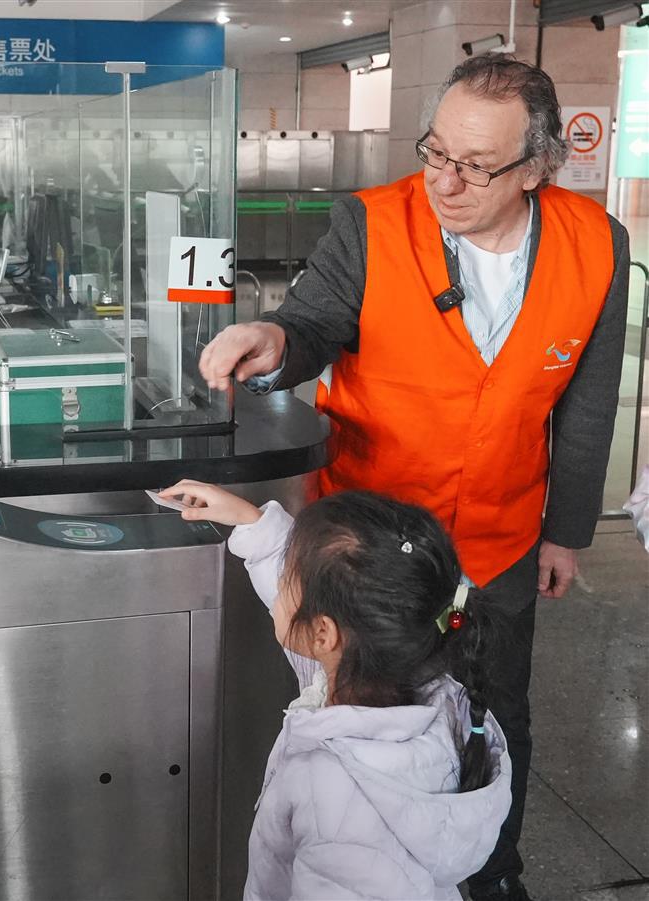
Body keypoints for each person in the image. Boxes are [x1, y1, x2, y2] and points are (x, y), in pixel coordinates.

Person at [198, 55, 629, 901]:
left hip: (502, 538)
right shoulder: (370, 222)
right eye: (436, 152)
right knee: (367, 718)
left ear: (538, 167)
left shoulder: (596, 244)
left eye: (477, 165)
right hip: (375, 549)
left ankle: (491, 870)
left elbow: (586, 400)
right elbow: (313, 320)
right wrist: (275, 345)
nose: (446, 182)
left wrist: (566, 530)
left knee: (500, 709)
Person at [159, 479, 513, 899]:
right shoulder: (399, 683)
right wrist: (253, 523)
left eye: (291, 572)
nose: (282, 584)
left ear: (324, 632)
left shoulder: (342, 806)